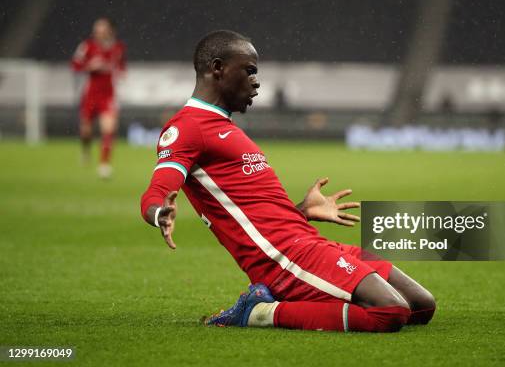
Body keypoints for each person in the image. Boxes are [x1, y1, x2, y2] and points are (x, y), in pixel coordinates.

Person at [140, 30, 435, 332]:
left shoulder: (224, 128)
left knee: (422, 305)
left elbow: (253, 212)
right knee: (390, 312)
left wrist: (301, 211)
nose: (256, 81)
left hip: (308, 243)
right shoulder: (186, 127)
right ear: (218, 69)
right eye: (249, 71)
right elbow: (158, 190)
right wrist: (158, 212)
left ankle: (306, 301)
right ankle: (260, 312)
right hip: (284, 261)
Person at [71, 17, 126, 179]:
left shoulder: (118, 47)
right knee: (86, 132)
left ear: (109, 30)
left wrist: (121, 73)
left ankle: (104, 164)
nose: (98, 32)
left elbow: (122, 66)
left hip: (108, 95)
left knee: (108, 129)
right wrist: (90, 66)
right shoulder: (87, 46)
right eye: (97, 29)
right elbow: (75, 65)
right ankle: (86, 150)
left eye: (101, 29)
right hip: (90, 95)